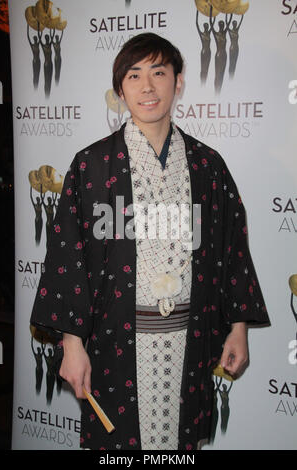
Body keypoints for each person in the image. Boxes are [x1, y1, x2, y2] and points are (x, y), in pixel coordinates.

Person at [30, 32, 270, 451]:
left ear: (178, 82)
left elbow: (231, 249)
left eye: (159, 73)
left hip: (188, 342)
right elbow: (68, 258)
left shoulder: (208, 166)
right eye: (134, 75)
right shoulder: (91, 165)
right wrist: (71, 343)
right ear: (120, 88)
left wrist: (237, 328)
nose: (147, 87)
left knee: (179, 446)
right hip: (115, 343)